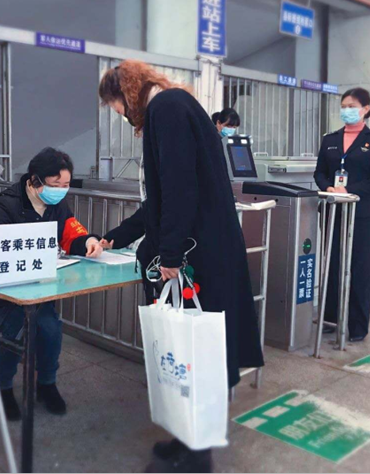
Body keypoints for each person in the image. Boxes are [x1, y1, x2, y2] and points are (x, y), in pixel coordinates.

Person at [98, 61, 263, 473]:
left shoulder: (166, 109)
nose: (120, 115)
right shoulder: (174, 105)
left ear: (126, 93)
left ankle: (197, 454)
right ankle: (187, 437)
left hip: (198, 254)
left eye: (116, 106)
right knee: (192, 351)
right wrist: (117, 236)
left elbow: (179, 189)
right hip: (206, 247)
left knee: (198, 350)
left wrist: (170, 255)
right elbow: (162, 199)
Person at [0, 147, 103, 421]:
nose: (61, 191)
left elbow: (72, 233)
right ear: (35, 180)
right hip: (2, 294)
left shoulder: (58, 205)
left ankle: (46, 384)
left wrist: (90, 241)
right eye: (55, 185)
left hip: (38, 292)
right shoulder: (8, 204)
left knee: (50, 328)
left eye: (66, 185)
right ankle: (3, 387)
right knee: (16, 327)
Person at [314, 88, 370, 342]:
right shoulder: (330, 139)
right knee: (332, 264)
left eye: (352, 106)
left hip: (361, 214)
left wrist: (349, 190)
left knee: (360, 269)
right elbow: (319, 172)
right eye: (344, 106)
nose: (346, 110)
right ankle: (330, 318)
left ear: (365, 109)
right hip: (333, 209)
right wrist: (328, 188)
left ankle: (357, 326)